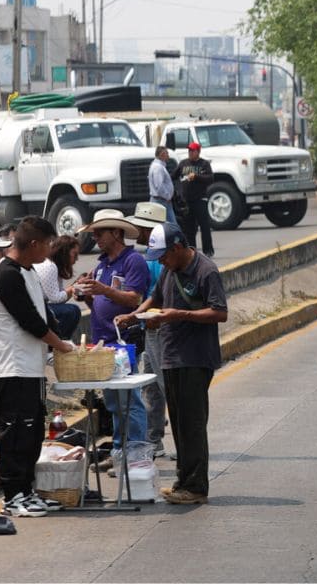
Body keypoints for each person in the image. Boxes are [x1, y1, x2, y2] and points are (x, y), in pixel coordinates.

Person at [117, 222, 227, 505]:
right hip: (170, 355)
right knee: (178, 422)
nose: (162, 262)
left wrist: (179, 315)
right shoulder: (170, 269)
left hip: (195, 357)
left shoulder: (206, 271)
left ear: (177, 248)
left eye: (164, 256)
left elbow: (219, 312)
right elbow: (156, 297)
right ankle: (183, 481)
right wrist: (134, 315)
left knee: (192, 423)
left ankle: (196, 487)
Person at [0, 216, 75, 517]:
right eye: (48, 244)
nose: (50, 251)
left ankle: (27, 490)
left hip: (32, 366)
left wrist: (61, 339)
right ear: (34, 243)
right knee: (15, 433)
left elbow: (44, 313)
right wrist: (60, 345)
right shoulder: (6, 274)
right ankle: (13, 496)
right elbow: (29, 321)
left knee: (33, 431)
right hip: (13, 366)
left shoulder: (30, 271)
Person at [76, 209, 150, 463]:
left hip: (123, 339)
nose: (95, 237)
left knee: (128, 399)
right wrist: (88, 294)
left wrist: (103, 289)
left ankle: (136, 452)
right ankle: (120, 450)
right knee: (113, 400)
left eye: (100, 232)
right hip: (104, 340)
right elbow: (99, 301)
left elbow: (134, 299)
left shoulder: (132, 261)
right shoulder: (102, 265)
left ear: (116, 233)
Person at [125, 202, 170, 457]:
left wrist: (150, 313)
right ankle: (154, 439)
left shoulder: (161, 258)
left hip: (161, 327)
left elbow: (162, 294)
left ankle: (183, 441)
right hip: (150, 326)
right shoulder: (149, 255)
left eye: (139, 228)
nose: (136, 232)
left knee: (166, 385)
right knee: (151, 387)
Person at [33, 236, 82, 341]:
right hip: (36, 308)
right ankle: (58, 342)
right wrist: (74, 287)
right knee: (71, 311)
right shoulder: (50, 266)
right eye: (75, 254)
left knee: (72, 310)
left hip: (42, 305)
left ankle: (61, 341)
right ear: (64, 252)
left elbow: (60, 298)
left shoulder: (56, 266)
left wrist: (76, 285)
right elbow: (56, 299)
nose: (77, 259)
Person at [172, 142, 214, 257]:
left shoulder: (204, 164)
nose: (190, 153)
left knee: (204, 226)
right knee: (189, 228)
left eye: (193, 151)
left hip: (200, 199)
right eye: (189, 150)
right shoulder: (183, 163)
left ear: (198, 152)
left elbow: (210, 178)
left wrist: (196, 176)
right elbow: (173, 176)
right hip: (187, 201)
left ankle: (208, 250)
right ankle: (192, 250)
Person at [148, 146, 178, 225]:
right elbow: (159, 186)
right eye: (166, 153)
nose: (168, 156)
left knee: (163, 225)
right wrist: (168, 196)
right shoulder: (158, 168)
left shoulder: (156, 165)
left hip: (161, 200)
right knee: (172, 226)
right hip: (161, 201)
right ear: (162, 155)